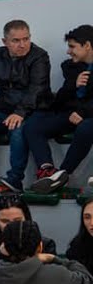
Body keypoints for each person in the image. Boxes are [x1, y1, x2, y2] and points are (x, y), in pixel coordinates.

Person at [0, 19, 53, 193]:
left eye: (26, 39)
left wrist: (20, 112)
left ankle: (15, 179)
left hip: (32, 111)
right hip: (4, 110)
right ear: (5, 42)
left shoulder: (40, 56)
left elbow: (37, 89)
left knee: (18, 128)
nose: (22, 44)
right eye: (16, 40)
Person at [26, 25, 93, 194]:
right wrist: (73, 84)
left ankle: (62, 174)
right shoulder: (71, 67)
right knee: (33, 127)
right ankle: (47, 171)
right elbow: (59, 101)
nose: (69, 52)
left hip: (87, 116)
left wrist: (84, 112)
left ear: (87, 45)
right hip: (71, 114)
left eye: (72, 47)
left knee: (86, 128)